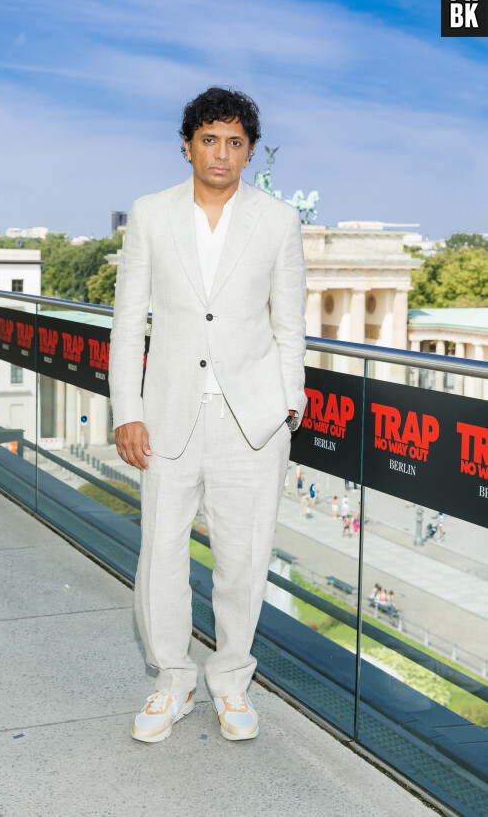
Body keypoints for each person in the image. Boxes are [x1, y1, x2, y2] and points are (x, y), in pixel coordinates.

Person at [109, 87, 307, 744]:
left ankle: (230, 683)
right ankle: (172, 682)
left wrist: (287, 403)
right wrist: (126, 411)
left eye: (235, 142)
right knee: (160, 555)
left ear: (249, 150)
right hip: (166, 416)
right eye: (209, 139)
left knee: (243, 561)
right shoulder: (149, 214)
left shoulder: (278, 221)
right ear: (188, 143)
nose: (221, 153)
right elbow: (127, 319)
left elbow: (290, 324)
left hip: (252, 421)